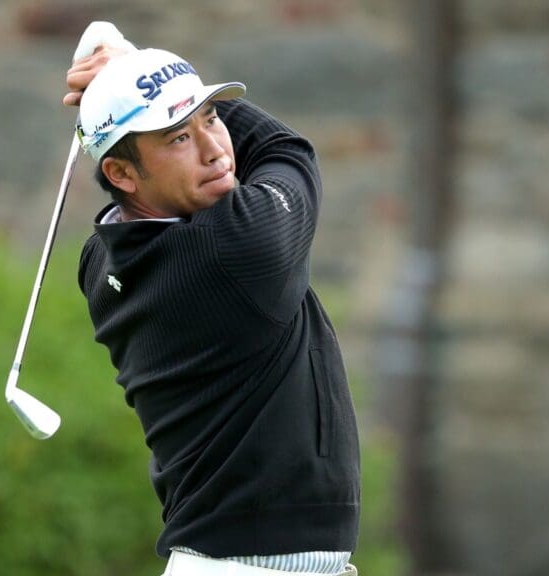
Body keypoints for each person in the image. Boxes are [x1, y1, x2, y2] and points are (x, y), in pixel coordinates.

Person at [64, 38, 360, 576]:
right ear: (122, 175)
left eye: (212, 119)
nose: (216, 149)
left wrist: (139, 80)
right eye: (179, 137)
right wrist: (133, 70)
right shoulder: (240, 248)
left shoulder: (101, 259)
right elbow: (285, 151)